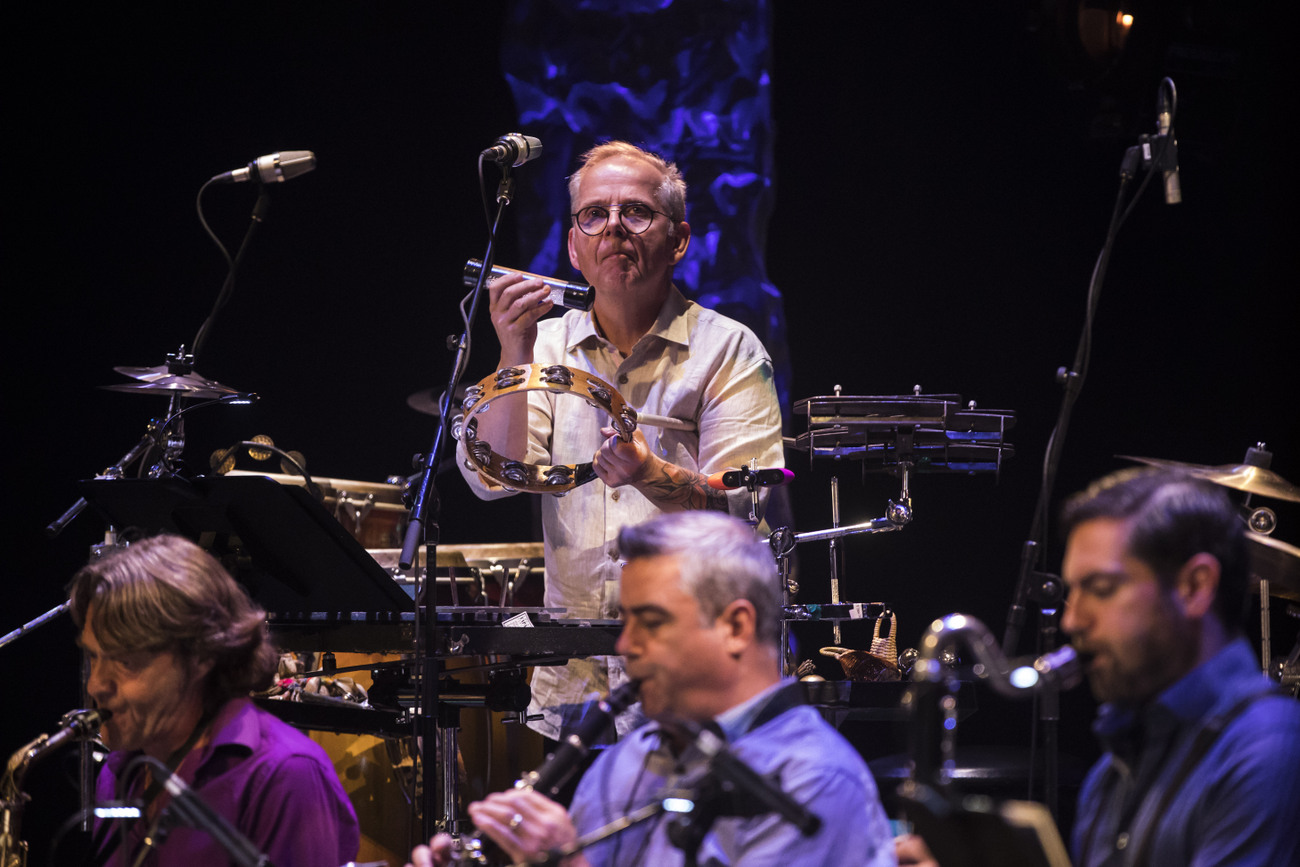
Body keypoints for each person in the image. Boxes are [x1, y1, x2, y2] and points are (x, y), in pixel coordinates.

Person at [456, 140, 785, 742]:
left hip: (692, 678)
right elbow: (492, 478)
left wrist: (647, 472)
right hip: (572, 685)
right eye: (593, 214)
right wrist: (513, 353)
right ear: (573, 247)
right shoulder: (543, 347)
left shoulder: (728, 351)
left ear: (678, 240)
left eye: (635, 212)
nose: (613, 227)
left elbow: (746, 510)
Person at [408, 510, 896, 867]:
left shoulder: (816, 782)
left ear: (736, 627)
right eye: (626, 622)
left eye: (652, 622)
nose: (625, 645)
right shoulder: (625, 762)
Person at [897, 467, 1300, 866]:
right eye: (1073, 591)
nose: (1072, 621)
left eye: (1102, 588)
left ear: (1194, 586)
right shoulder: (1113, 770)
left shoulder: (1269, 748)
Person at [68, 534, 360, 867]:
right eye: (94, 656)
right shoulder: (119, 772)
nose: (95, 685)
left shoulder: (286, 775)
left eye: (124, 661)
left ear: (200, 656)